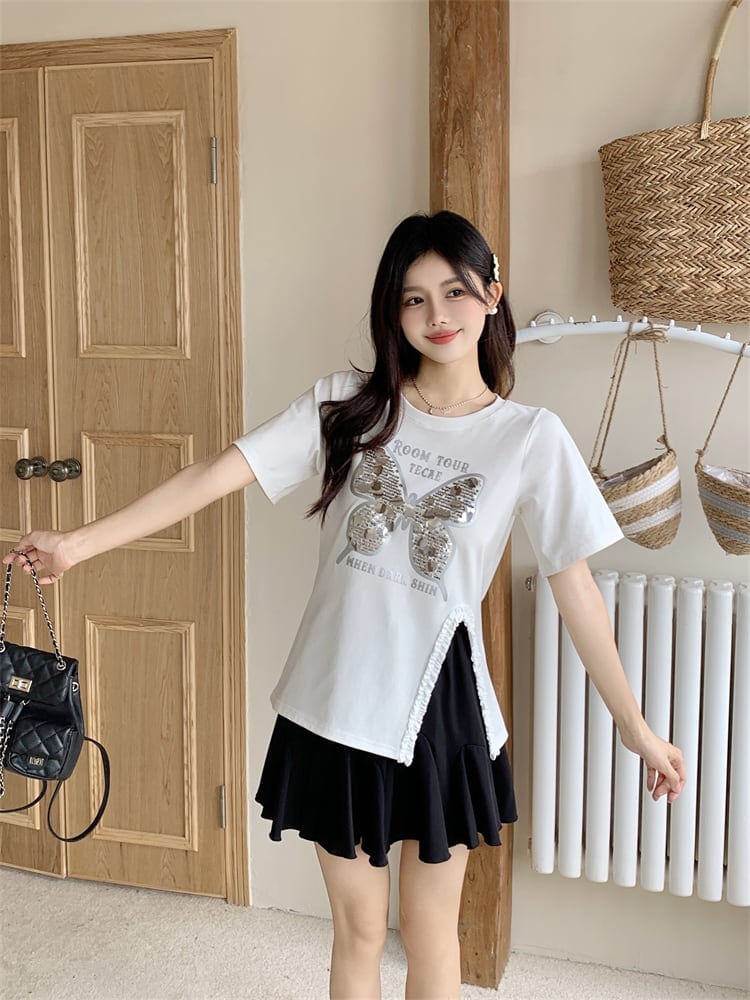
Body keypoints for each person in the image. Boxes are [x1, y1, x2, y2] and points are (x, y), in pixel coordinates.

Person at [4, 210, 686, 1000]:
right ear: (393, 310)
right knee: (359, 933)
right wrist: (78, 543)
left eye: (455, 292)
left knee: (431, 937)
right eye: (413, 298)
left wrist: (636, 727)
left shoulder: (530, 437)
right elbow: (214, 476)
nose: (436, 315)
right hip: (337, 699)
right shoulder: (348, 407)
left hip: (441, 707)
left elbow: (578, 590)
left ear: (492, 295)